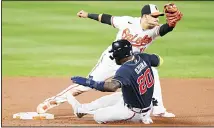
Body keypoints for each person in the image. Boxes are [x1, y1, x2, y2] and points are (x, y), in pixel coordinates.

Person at [37, 3, 182, 117]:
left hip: (131, 64)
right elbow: (107, 18)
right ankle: (51, 101)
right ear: (144, 16)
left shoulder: (153, 30)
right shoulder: (128, 22)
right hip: (111, 60)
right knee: (86, 86)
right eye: (154, 16)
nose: (157, 19)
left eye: (158, 16)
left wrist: (172, 25)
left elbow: (165, 28)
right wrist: (88, 14)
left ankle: (158, 109)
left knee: (151, 72)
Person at [66, 39, 164, 124]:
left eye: (114, 53)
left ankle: (134, 120)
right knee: (107, 100)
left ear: (119, 54)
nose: (113, 55)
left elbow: (112, 87)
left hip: (134, 113)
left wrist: (89, 82)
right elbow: (159, 60)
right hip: (145, 103)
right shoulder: (142, 57)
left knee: (98, 117)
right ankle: (81, 109)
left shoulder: (125, 70)